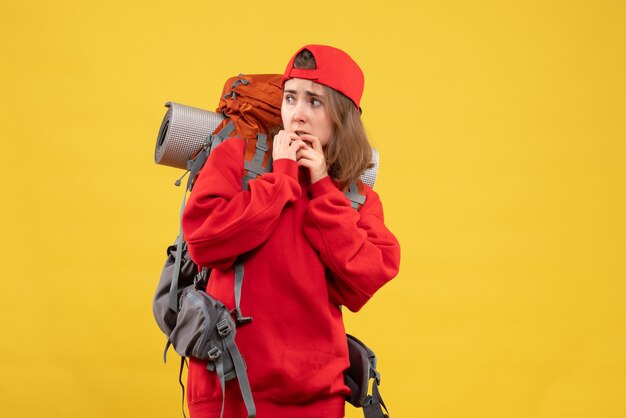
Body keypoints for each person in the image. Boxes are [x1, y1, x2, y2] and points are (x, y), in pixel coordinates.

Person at [181, 44, 401, 418]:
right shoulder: (236, 158)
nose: (297, 115)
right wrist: (281, 179)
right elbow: (205, 242)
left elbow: (363, 281)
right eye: (290, 98)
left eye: (314, 102)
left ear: (341, 116)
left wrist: (321, 188)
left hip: (316, 397)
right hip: (226, 389)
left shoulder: (356, 198)